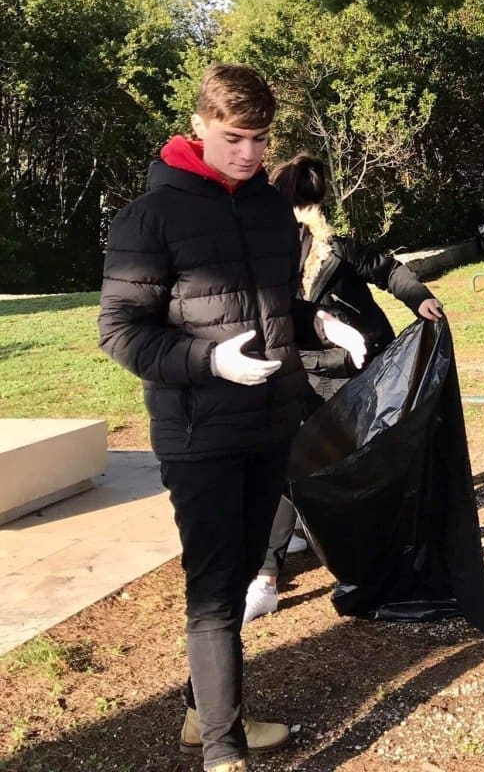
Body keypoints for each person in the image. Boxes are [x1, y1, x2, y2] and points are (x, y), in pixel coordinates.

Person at [98, 65, 365, 772]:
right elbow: (120, 331)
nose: (249, 153)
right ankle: (222, 750)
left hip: (269, 421)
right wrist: (209, 361)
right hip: (198, 431)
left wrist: (320, 323)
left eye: (260, 139)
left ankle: (202, 716)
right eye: (234, 138)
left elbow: (274, 304)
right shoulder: (149, 218)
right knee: (214, 590)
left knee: (245, 568)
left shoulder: (269, 209)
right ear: (199, 127)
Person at [244, 152, 445, 624]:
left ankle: (353, 556)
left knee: (349, 465)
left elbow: (388, 269)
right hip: (301, 371)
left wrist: (421, 299)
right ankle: (268, 574)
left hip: (357, 373)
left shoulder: (337, 249)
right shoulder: (265, 254)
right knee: (289, 463)